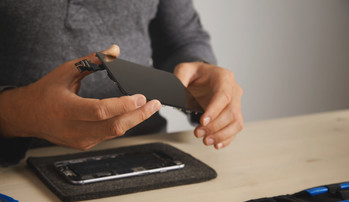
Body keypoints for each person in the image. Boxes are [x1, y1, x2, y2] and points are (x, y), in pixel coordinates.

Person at [0, 0, 243, 167]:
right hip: (15, 168)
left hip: (146, 152)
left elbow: (179, 38)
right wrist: (17, 113)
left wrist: (200, 71)